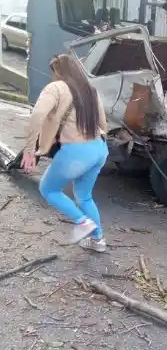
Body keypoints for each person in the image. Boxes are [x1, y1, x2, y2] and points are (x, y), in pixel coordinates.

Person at [21, 54, 109, 252]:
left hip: (76, 151)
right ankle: (98, 240)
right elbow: (103, 123)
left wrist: (30, 150)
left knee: (48, 189)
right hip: (100, 149)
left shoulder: (56, 88)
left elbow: (37, 115)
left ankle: (82, 222)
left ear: (58, 71)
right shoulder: (90, 90)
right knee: (84, 196)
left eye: (54, 72)